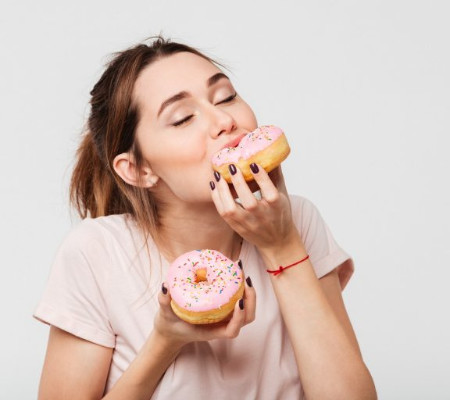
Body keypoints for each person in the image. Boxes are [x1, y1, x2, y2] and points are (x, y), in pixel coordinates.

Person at [34, 35, 377, 400]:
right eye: (183, 118)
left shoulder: (297, 220)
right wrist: (165, 341)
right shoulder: (96, 253)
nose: (225, 120)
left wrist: (283, 247)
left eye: (226, 97)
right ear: (138, 170)